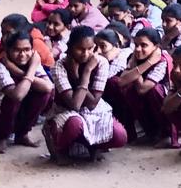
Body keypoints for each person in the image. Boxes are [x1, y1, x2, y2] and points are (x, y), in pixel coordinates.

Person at [44, 26, 128, 163]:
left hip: (92, 109)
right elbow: (75, 105)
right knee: (75, 125)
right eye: (80, 49)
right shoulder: (59, 66)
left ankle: (94, 146)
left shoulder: (100, 63)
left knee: (120, 136)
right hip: (66, 110)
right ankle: (59, 147)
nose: (85, 54)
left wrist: (83, 74)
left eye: (90, 49)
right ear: (70, 48)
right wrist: (82, 76)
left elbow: (93, 103)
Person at [0, 30, 53, 154]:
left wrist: (23, 72)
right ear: (8, 51)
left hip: (15, 113)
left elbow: (48, 87)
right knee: (12, 98)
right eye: (17, 50)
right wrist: (31, 72)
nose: (22, 54)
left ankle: (22, 134)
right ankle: (1, 137)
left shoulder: (32, 63)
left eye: (27, 49)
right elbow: (17, 95)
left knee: (44, 94)